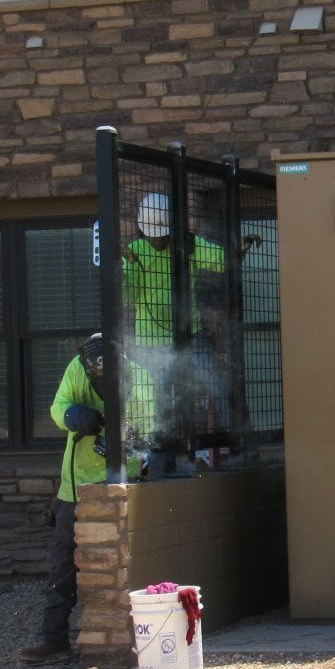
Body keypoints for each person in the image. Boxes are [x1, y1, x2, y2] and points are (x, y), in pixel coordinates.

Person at [19, 333, 109, 664]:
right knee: (62, 565)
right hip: (74, 486)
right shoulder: (78, 368)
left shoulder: (136, 376)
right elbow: (57, 408)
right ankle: (54, 638)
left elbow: (144, 421)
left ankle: (113, 635)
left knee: (111, 561)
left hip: (117, 481)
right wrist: (73, 415)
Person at [123, 192, 225, 471]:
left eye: (162, 235)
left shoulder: (186, 246)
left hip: (189, 336)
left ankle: (240, 443)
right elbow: (128, 295)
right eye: (153, 236)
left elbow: (220, 259)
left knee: (219, 385)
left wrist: (235, 250)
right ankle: (159, 462)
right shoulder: (135, 252)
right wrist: (126, 269)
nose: (157, 241)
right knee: (157, 404)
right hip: (150, 344)